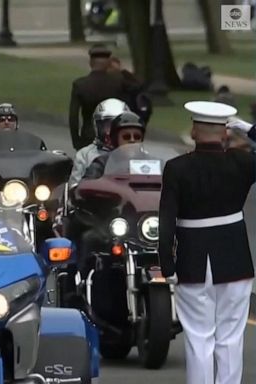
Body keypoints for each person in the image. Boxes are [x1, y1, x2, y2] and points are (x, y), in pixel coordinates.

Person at [158, 101, 256, 384]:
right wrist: (250, 130)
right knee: (230, 336)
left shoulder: (177, 168)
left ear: (193, 131)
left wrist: (167, 263)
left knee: (199, 337)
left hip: (193, 258)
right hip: (235, 258)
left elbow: (167, 218)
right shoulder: (242, 162)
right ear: (226, 133)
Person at [69, 43, 136, 150]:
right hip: (114, 136)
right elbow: (138, 87)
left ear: (91, 63)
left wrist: (76, 142)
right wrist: (122, 70)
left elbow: (73, 117)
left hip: (89, 136)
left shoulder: (80, 84)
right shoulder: (118, 82)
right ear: (109, 63)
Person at [68, 98, 130, 188]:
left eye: (116, 125)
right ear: (98, 127)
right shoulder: (85, 155)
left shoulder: (138, 155)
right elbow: (74, 191)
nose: (110, 131)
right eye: (108, 126)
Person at [83, 110, 145, 179]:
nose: (132, 140)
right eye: (126, 137)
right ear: (115, 140)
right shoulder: (102, 164)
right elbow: (87, 185)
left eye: (137, 137)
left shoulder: (152, 164)